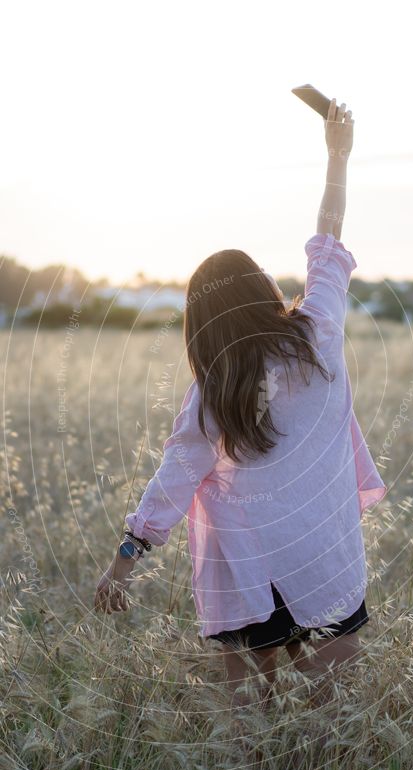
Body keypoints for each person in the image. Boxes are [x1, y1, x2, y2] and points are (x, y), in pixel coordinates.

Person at [94, 97, 387, 712]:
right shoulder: (319, 334)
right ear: (264, 290)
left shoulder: (213, 391)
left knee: (250, 732)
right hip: (324, 561)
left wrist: (125, 561)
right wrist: (338, 156)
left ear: (199, 323)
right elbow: (327, 239)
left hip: (248, 577)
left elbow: (173, 479)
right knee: (339, 721)